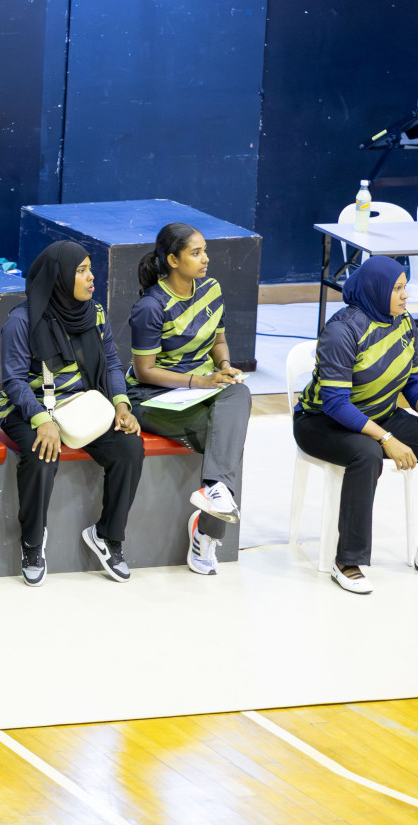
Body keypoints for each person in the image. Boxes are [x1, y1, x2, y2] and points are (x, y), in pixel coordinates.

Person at [293, 255, 418, 594]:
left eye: (405, 288)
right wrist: (386, 437)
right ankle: (347, 561)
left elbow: (413, 379)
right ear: (376, 290)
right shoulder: (342, 330)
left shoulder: (403, 322)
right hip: (321, 422)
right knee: (368, 454)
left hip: (379, 413)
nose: (405, 296)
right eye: (398, 289)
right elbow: (334, 403)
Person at [0, 240, 144, 586]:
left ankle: (108, 535)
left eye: (90, 268)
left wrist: (121, 406)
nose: (91, 277)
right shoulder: (22, 321)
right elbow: (14, 381)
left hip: (82, 405)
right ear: (59, 277)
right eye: (81, 271)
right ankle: (32, 542)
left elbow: (110, 362)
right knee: (42, 453)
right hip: (29, 407)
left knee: (129, 447)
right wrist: (42, 420)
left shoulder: (94, 313)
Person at [124, 223, 248, 576]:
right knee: (225, 440)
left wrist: (224, 367)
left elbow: (218, 341)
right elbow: (145, 370)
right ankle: (206, 533)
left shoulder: (211, 289)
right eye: (196, 253)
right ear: (173, 260)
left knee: (239, 392)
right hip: (153, 396)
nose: (205, 259)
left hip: (201, 388)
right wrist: (200, 379)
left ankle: (213, 493)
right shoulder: (151, 306)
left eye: (204, 250)